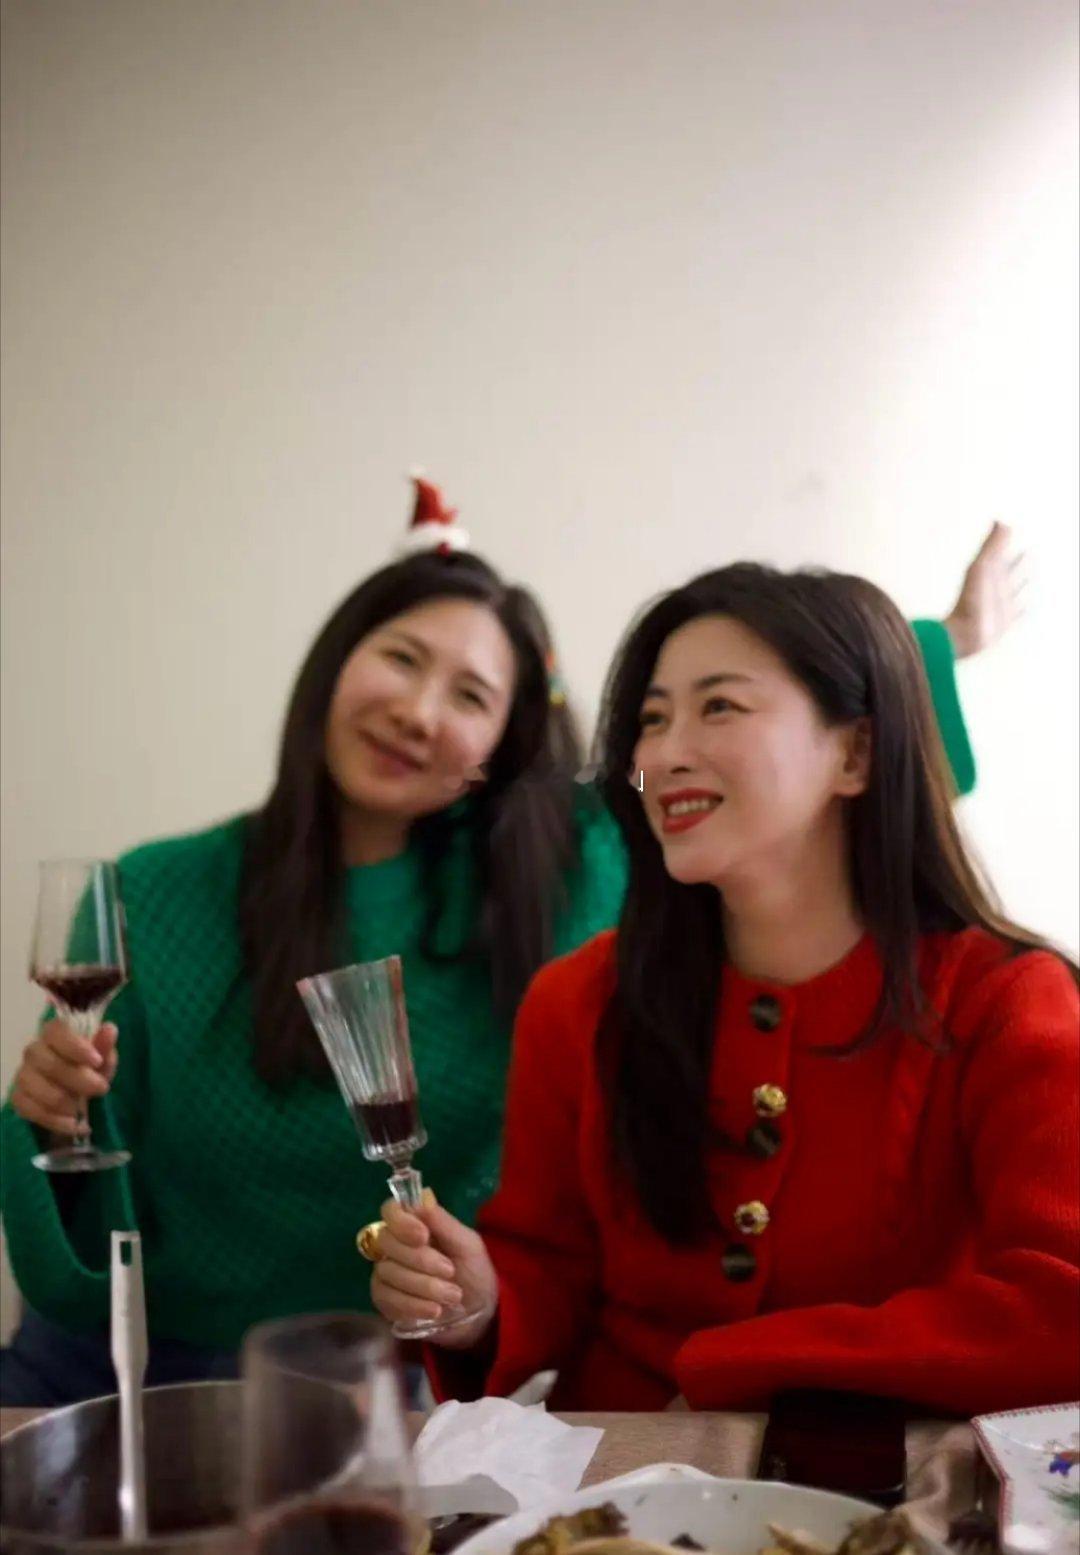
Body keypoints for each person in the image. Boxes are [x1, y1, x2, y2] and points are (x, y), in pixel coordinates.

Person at [0, 484, 1022, 1407]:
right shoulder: (151, 890)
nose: (416, 712)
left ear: (509, 741)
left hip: (384, 1383)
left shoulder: (570, 866)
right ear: (335, 658)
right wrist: (48, 1116)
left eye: (471, 696)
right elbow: (87, 1192)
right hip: (132, 1367)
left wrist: (943, 644)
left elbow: (775, 776)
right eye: (401, 659)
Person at [370, 560, 1079, 1416]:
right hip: (613, 1483)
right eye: (652, 718)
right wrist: (478, 1302)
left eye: (720, 707)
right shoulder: (577, 1000)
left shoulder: (1009, 1000)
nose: (663, 754)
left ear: (855, 752)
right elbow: (547, 1265)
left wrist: (734, 1363)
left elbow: (1061, 1307)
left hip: (880, 1481)